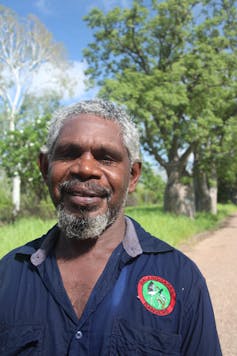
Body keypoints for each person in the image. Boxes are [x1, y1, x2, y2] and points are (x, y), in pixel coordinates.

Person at [0, 100, 221, 355]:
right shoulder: (8, 277)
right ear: (44, 167)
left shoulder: (181, 277)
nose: (85, 169)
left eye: (106, 158)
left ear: (133, 176)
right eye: (69, 153)